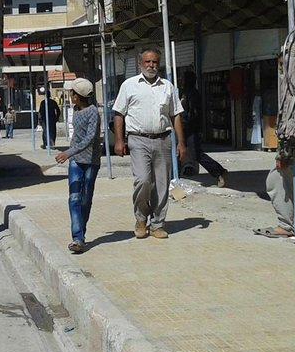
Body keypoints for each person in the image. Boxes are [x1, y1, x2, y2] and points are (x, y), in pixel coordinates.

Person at [113, 49, 187, 239]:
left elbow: (176, 115)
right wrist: (119, 141)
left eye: (154, 62)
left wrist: (181, 143)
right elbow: (119, 114)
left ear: (159, 64)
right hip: (138, 139)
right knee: (143, 180)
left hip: (163, 139)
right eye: (147, 62)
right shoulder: (129, 85)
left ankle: (157, 224)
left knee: (162, 184)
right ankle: (140, 219)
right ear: (140, 64)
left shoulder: (167, 87)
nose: (151, 65)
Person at [55, 79, 101, 253]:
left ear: (78, 96)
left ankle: (82, 231)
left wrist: (68, 152)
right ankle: (78, 238)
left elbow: (90, 138)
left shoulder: (93, 112)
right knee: (74, 198)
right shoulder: (75, 110)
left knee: (85, 199)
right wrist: (71, 154)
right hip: (76, 160)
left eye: (72, 93)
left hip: (90, 161)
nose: (70, 96)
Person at [179, 70, 228, 187]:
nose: (181, 81)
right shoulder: (183, 93)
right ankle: (176, 175)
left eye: (183, 79)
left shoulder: (192, 94)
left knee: (196, 154)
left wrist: (184, 120)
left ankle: (218, 171)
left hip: (191, 128)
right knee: (178, 152)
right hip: (184, 128)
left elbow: (193, 113)